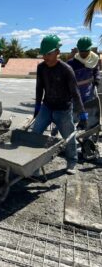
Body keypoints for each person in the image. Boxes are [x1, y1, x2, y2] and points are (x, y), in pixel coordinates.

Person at [33, 35, 88, 175]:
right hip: (46, 107)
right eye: (43, 54)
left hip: (63, 110)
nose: (45, 57)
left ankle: (71, 162)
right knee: (34, 135)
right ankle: (33, 166)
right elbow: (39, 88)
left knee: (69, 138)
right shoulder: (41, 68)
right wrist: (37, 107)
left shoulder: (66, 69)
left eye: (49, 53)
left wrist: (82, 113)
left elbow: (75, 92)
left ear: (57, 52)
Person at [67, 37, 100, 103]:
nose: (83, 53)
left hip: (89, 94)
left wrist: (97, 79)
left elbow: (96, 71)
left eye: (86, 51)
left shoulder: (94, 60)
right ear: (78, 50)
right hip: (75, 96)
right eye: (81, 51)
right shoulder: (71, 63)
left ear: (90, 49)